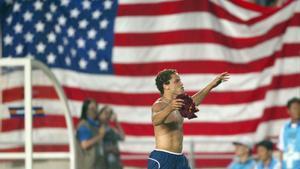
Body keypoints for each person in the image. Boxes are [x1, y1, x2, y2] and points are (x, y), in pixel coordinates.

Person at [148, 69, 230, 169]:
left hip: (180, 158)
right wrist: (170, 108)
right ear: (166, 86)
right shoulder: (159, 105)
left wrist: (211, 85)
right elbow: (155, 120)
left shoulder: (179, 103)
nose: (181, 83)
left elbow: (194, 102)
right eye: (177, 81)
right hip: (163, 157)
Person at [76, 99, 106, 169]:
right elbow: (84, 144)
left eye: (96, 108)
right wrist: (100, 136)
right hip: (89, 165)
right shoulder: (84, 124)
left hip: (99, 163)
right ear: (86, 110)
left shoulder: (96, 125)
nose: (95, 110)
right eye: (92, 108)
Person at [277, 97, 300, 169]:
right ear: (288, 111)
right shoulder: (284, 128)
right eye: (295, 108)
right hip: (287, 165)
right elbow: (281, 149)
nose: (298, 110)